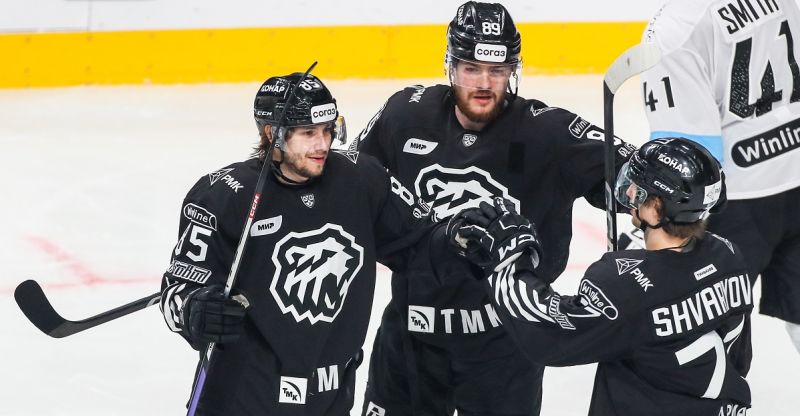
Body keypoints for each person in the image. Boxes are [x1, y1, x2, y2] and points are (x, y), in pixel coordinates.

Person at [157, 72, 508, 415]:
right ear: (272, 134)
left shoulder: (362, 179)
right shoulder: (223, 196)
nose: (322, 144)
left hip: (328, 399)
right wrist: (194, 309)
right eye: (308, 133)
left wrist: (457, 237)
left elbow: (420, 243)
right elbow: (178, 289)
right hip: (244, 398)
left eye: (327, 130)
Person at [356, 2, 637, 415]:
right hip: (412, 338)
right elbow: (351, 186)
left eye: (498, 70)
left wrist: (658, 185)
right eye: (472, 68)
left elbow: (633, 176)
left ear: (513, 71)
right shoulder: (405, 115)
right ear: (451, 65)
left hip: (506, 344)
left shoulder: (547, 133)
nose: (484, 83)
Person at [471, 138, 753, 415]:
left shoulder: (625, 289)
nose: (629, 192)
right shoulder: (729, 255)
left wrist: (507, 256)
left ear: (656, 208)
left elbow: (547, 332)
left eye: (638, 189)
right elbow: (740, 358)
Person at [640, 0, 800, 354]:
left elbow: (688, 159)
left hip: (736, 207)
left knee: (702, 343)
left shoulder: (676, 27)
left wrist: (654, 220)